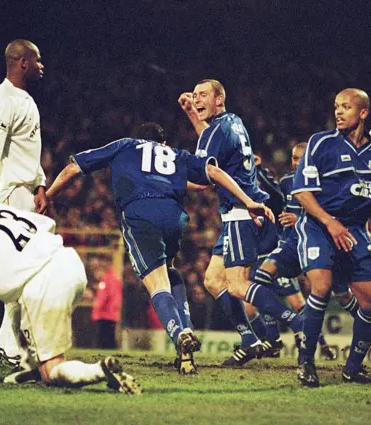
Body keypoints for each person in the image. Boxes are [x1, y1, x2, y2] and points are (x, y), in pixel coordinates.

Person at [46, 122, 275, 374]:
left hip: (140, 212)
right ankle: (186, 328)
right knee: (170, 270)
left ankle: (178, 335)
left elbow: (73, 168)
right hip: (174, 216)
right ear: (162, 142)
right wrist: (249, 201)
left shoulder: (125, 145)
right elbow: (212, 174)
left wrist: (48, 195)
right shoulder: (175, 154)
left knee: (156, 283)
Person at [0, 196, 140, 393]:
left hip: (42, 283)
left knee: (53, 371)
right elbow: (46, 224)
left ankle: (101, 370)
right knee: (17, 300)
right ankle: (31, 365)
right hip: (68, 262)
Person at [179, 80, 305, 366]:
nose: (197, 100)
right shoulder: (232, 123)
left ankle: (298, 326)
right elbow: (212, 149)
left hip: (241, 212)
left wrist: (171, 182)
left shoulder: (219, 128)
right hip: (241, 212)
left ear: (219, 99)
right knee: (213, 280)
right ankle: (250, 340)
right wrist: (191, 114)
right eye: (194, 95)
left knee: (238, 285)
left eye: (203, 96)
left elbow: (206, 171)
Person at [292, 88, 371, 386]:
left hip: (354, 231)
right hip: (318, 225)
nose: (338, 112)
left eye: (346, 107)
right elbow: (302, 192)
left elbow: (365, 200)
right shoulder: (321, 143)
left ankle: (353, 368)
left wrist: (370, 232)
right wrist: (329, 222)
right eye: (336, 106)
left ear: (363, 112)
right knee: (321, 286)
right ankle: (306, 362)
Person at [0, 39, 49, 367]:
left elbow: (25, 151)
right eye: (37, 59)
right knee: (23, 270)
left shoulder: (25, 99)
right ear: (23, 63)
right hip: (7, 195)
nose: (43, 65)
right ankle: (10, 345)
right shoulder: (1, 99)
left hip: (25, 193)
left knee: (28, 270)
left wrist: (41, 183)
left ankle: (7, 344)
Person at [247, 146, 337, 360]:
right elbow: (275, 194)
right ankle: (275, 338)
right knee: (257, 291)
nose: (296, 162)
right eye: (294, 158)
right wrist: (259, 170)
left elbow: (328, 216)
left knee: (304, 301)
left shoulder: (323, 183)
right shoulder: (288, 181)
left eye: (300, 158)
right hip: (287, 245)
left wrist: (300, 220)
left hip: (311, 244)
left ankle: (316, 342)